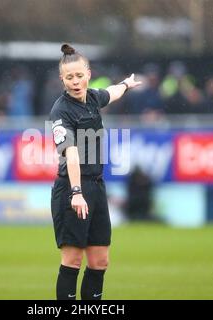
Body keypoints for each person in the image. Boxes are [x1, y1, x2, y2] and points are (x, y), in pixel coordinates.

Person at [49, 44, 141, 300]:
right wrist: (77, 192)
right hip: (72, 188)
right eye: (69, 77)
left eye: (79, 75)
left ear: (88, 74)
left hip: (96, 187)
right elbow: (72, 153)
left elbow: (110, 93)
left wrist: (124, 84)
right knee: (73, 260)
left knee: (100, 261)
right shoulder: (61, 111)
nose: (75, 81)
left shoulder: (92, 97)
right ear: (62, 79)